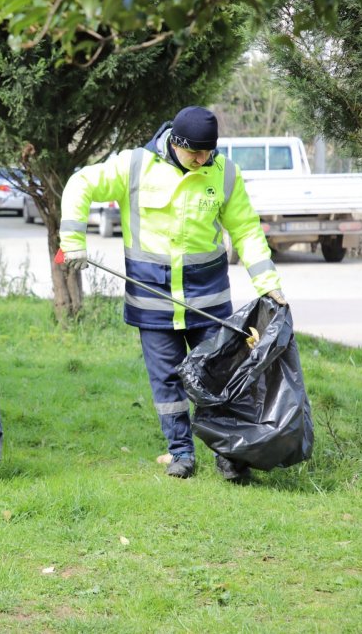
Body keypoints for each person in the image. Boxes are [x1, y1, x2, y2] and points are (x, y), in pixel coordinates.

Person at [58, 106, 287, 481]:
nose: (202, 160)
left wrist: (269, 285)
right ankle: (181, 452)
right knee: (166, 381)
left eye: (207, 153)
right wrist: (73, 239)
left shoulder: (224, 173)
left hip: (208, 300)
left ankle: (228, 455)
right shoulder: (134, 166)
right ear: (175, 143)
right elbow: (81, 183)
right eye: (194, 153)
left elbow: (246, 231)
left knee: (218, 378)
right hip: (153, 301)